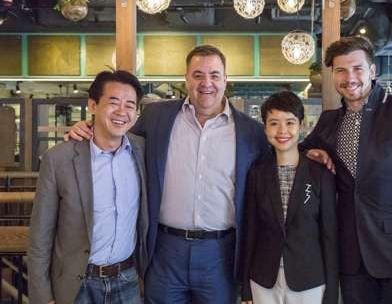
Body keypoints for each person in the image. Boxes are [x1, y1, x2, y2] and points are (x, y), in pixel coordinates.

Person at [67, 45, 269, 304]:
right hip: (165, 250)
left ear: (226, 79)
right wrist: (86, 128)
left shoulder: (251, 132)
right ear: (186, 79)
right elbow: (116, 136)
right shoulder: (156, 117)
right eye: (197, 75)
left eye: (215, 75)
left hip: (221, 253)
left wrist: (314, 154)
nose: (206, 83)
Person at [300, 36, 392, 304]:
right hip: (351, 258)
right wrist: (311, 153)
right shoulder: (329, 121)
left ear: (372, 71)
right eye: (341, 71)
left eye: (357, 68)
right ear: (333, 75)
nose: (350, 77)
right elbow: (296, 152)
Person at [28, 70, 148, 304]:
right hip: (76, 285)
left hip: (127, 281)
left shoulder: (143, 151)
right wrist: (42, 297)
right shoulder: (59, 159)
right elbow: (40, 236)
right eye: (113, 102)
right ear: (93, 105)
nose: (122, 111)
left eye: (130, 105)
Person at [241, 91, 338, 304]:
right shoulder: (257, 173)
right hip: (263, 279)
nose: (282, 130)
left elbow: (329, 236)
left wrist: (331, 293)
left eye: (290, 122)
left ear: (301, 126)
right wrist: (245, 288)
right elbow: (251, 232)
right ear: (265, 127)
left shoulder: (319, 174)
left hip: (309, 279)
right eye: (274, 123)